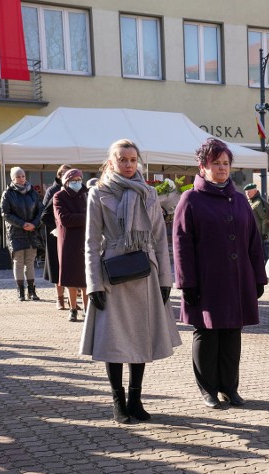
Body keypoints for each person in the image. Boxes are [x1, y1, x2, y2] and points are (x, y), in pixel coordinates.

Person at [81, 139, 181, 424]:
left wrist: (165, 278)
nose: (127, 165)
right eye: (122, 159)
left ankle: (136, 400)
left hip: (145, 272)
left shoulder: (149, 193)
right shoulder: (98, 193)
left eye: (132, 159)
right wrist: (93, 284)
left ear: (138, 162)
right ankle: (118, 402)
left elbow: (161, 239)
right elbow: (90, 242)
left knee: (141, 337)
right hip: (112, 273)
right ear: (111, 162)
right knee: (114, 340)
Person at [173, 139, 267, 409]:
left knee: (231, 334)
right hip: (206, 281)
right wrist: (186, 282)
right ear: (203, 167)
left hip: (237, 279)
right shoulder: (190, 199)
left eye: (226, 163)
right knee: (207, 334)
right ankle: (208, 390)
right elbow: (181, 243)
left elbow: (253, 241)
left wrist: (258, 277)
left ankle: (230, 388)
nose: (222, 168)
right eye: (216, 163)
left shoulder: (239, 200)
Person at [1, 168, 44, 301]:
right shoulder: (8, 193)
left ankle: (32, 290)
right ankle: (20, 290)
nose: (21, 178)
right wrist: (23, 224)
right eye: (18, 176)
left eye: (23, 176)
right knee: (18, 261)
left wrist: (34, 224)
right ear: (13, 179)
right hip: (16, 232)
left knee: (30, 261)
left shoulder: (33, 192)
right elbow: (5, 213)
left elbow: (40, 210)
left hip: (31, 231)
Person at [54, 169, 89, 322]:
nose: (77, 182)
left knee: (87, 277)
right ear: (67, 181)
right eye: (73, 179)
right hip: (68, 240)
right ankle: (73, 308)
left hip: (87, 238)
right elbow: (65, 219)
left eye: (79, 179)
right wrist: (88, 217)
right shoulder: (59, 196)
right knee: (71, 277)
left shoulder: (87, 194)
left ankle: (88, 308)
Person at [42, 164, 74, 310]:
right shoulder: (53, 191)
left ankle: (71, 299)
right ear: (60, 175)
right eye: (66, 175)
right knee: (57, 267)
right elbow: (45, 215)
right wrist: (57, 226)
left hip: (73, 233)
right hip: (55, 234)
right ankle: (60, 298)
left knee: (70, 267)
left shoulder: (76, 189)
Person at [243, 183, 269, 261]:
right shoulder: (250, 202)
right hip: (252, 236)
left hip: (260, 237)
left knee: (263, 259)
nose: (247, 194)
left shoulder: (259, 203)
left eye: (249, 192)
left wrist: (264, 235)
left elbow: (265, 219)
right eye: (246, 192)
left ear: (255, 191)